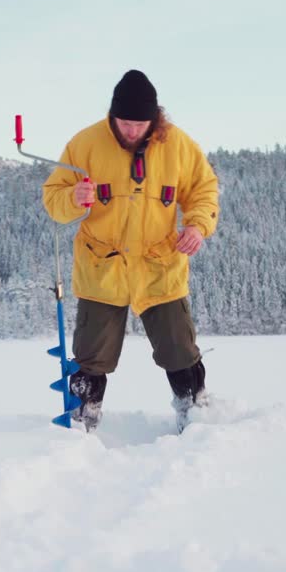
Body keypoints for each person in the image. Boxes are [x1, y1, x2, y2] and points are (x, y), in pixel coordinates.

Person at [41, 69, 220, 432]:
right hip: (102, 269)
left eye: (140, 124)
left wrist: (198, 226)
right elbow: (53, 198)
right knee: (92, 357)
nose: (132, 131)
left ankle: (196, 413)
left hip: (159, 267)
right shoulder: (85, 144)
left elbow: (203, 190)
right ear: (113, 115)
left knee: (179, 349)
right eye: (124, 123)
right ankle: (82, 420)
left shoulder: (179, 146)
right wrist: (73, 199)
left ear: (155, 118)